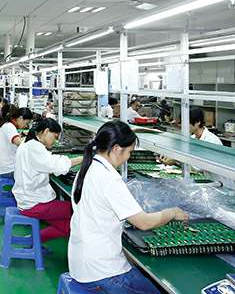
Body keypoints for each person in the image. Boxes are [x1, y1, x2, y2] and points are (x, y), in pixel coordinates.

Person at [68, 121, 188, 292]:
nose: (129, 157)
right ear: (117, 148)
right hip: (103, 272)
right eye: (130, 152)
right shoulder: (109, 179)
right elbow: (144, 223)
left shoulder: (87, 167)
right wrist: (172, 212)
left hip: (80, 263)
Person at [12, 118, 82, 242]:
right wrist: (83, 159)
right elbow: (55, 164)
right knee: (77, 209)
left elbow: (45, 162)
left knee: (68, 226)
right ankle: (32, 242)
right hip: (34, 203)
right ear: (46, 131)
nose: (55, 141)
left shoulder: (28, 143)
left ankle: (33, 242)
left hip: (28, 198)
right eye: (55, 137)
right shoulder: (34, 147)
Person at [160, 108, 234, 188]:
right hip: (207, 182)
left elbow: (197, 167)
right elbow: (182, 152)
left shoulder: (211, 141)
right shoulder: (192, 138)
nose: (182, 126)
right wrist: (168, 155)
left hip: (221, 185)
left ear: (197, 122)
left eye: (186, 123)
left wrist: (176, 159)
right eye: (182, 123)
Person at [0, 106, 34, 179]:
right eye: (26, 123)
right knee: (37, 173)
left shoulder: (8, 125)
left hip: (6, 166)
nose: (26, 126)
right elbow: (20, 143)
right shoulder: (9, 127)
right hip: (9, 170)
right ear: (20, 118)